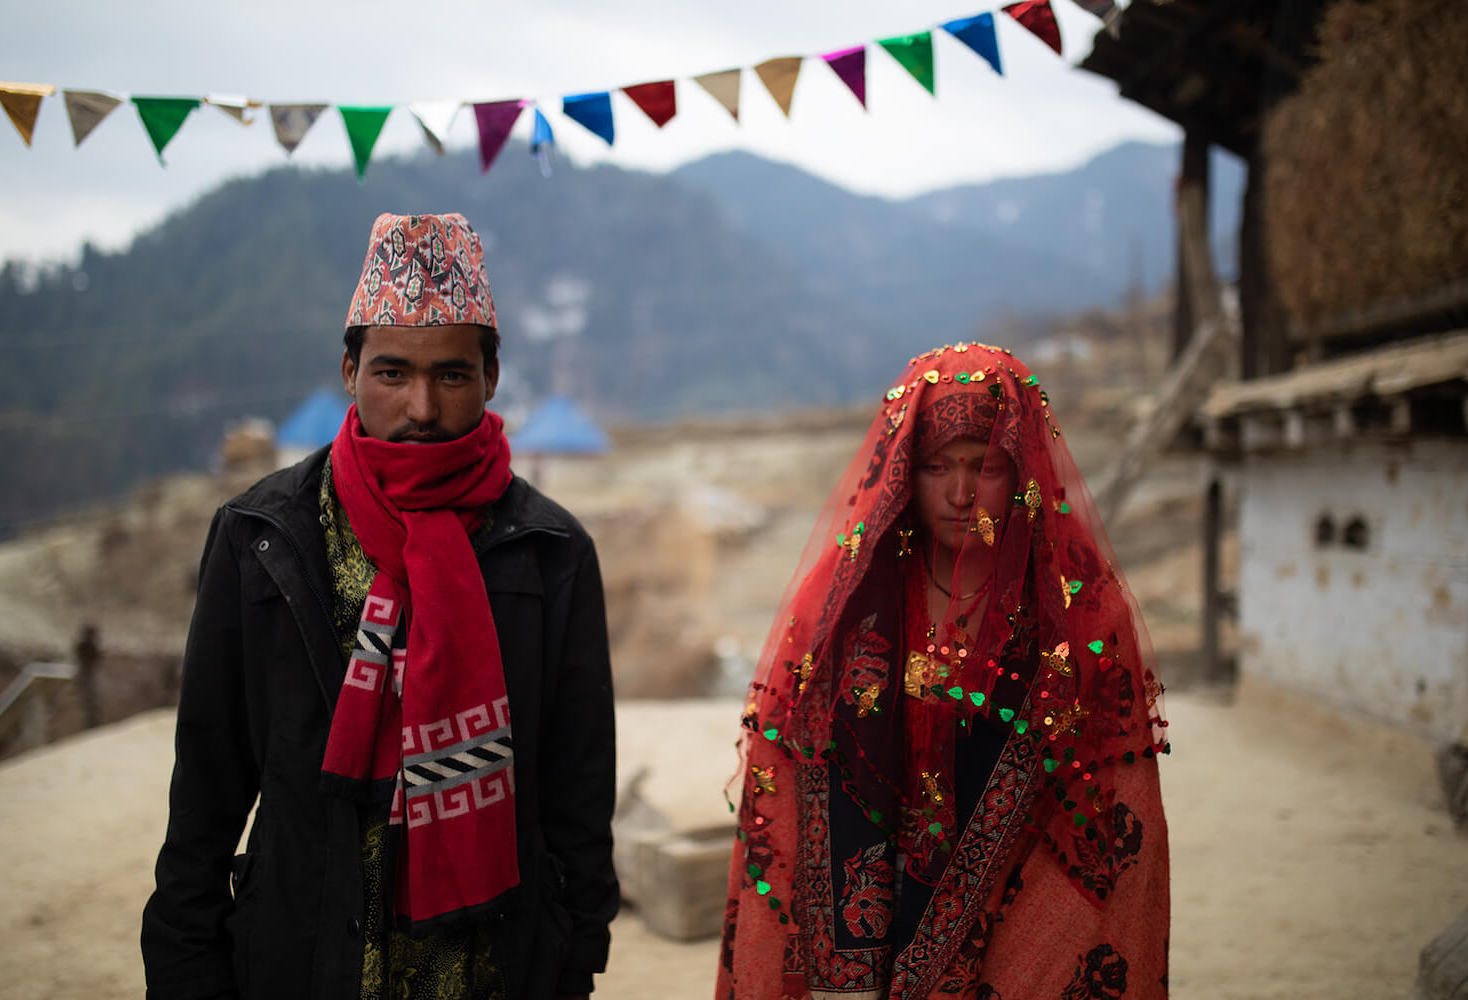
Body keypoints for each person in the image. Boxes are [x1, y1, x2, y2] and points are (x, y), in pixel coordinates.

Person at [142, 212, 619, 1000]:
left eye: (451, 376)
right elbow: (208, 780)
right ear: (350, 370)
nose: (421, 408)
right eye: (393, 373)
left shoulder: (549, 550)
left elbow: (579, 791)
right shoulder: (263, 537)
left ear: (491, 377)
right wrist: (185, 965)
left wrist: (574, 960)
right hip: (303, 959)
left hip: (491, 968)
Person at [718, 343, 1170, 998]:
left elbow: (1108, 808)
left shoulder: (1081, 616)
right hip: (864, 926)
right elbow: (794, 772)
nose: (961, 495)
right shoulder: (845, 606)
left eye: (985, 467)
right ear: (903, 471)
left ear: (1021, 469)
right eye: (936, 467)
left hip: (1020, 918)